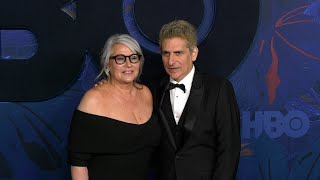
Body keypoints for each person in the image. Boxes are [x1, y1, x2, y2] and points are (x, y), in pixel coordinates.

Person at [150, 20, 241, 180]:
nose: (171, 61)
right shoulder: (153, 89)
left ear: (194, 54)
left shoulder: (218, 88)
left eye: (178, 53)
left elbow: (229, 149)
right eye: (166, 53)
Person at [67, 34, 161, 180]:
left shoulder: (146, 93)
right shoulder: (93, 99)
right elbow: (78, 162)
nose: (128, 64)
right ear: (107, 64)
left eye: (133, 58)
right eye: (120, 58)